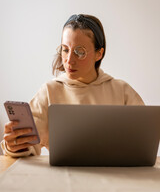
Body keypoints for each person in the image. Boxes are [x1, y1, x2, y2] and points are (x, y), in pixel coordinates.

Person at [1, 14, 144, 157]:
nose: (69, 60)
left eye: (79, 51)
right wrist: (14, 146)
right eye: (65, 49)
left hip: (114, 175)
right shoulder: (50, 91)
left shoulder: (122, 91)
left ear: (99, 54)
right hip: (65, 176)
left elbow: (143, 141)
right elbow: (28, 146)